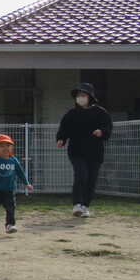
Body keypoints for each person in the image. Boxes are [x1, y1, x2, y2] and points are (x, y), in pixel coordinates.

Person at [56, 83, 113, 217]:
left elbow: (108, 127)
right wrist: (61, 139)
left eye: (83, 95)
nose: (80, 98)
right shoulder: (72, 114)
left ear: (90, 97)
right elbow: (64, 128)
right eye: (78, 95)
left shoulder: (100, 113)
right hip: (76, 151)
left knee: (91, 179)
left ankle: (85, 206)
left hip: (95, 152)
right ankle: (77, 204)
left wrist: (101, 132)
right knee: (81, 175)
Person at [0, 134, 33, 233]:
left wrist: (26, 183)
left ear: (11, 147)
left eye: (7, 145)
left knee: (11, 207)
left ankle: (10, 225)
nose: (5, 148)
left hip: (9, 189)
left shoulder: (13, 160)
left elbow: (20, 172)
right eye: (1, 146)